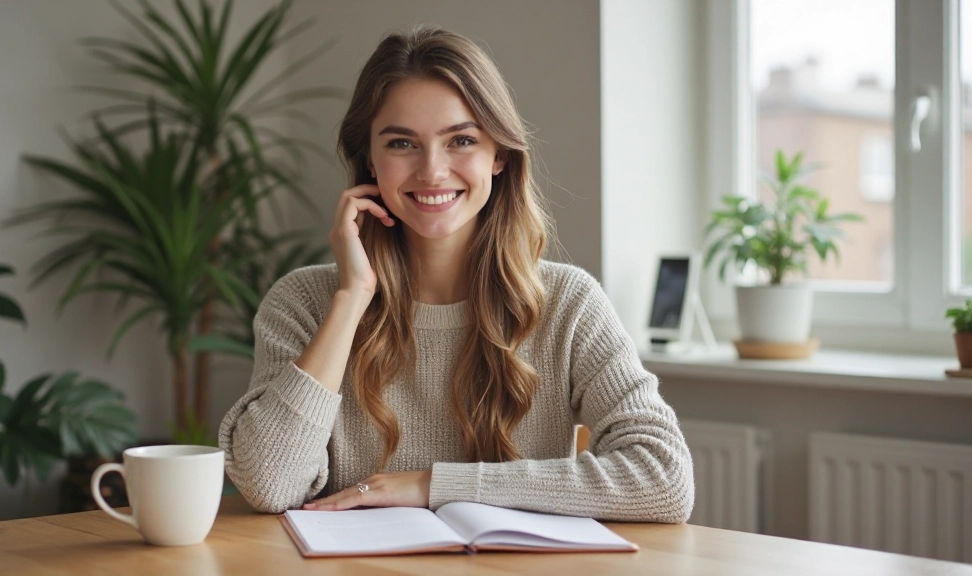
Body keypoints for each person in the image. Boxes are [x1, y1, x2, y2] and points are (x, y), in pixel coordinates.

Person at [219, 26, 694, 523]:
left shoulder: (569, 303)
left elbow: (664, 479)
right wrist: (353, 297)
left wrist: (433, 485)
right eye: (402, 143)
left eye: (461, 140)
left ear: (499, 156)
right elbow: (268, 484)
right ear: (369, 162)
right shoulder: (303, 302)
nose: (432, 171)